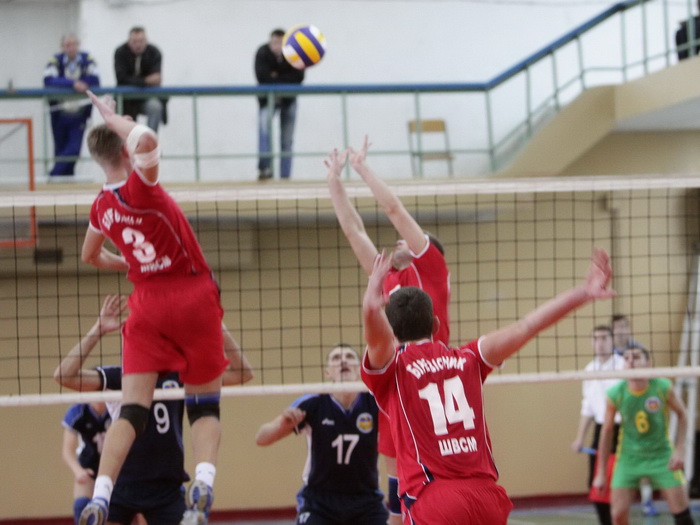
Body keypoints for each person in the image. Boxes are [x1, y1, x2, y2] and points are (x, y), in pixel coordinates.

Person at [362, 248, 615, 524]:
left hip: (435, 499)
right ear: (435, 325)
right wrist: (584, 292)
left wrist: (371, 307)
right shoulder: (469, 357)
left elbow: (378, 341)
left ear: (392, 332)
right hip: (486, 497)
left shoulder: (393, 369)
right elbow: (526, 326)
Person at [77, 90, 231, 525]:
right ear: (124, 150)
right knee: (204, 405)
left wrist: (128, 263)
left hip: (144, 302)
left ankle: (101, 496)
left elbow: (89, 256)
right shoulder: (140, 188)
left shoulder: (102, 207)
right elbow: (146, 141)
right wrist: (115, 119)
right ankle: (203, 482)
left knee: (132, 409)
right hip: (191, 294)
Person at [326, 137, 450, 524]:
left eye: (407, 238)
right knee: (398, 506)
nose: (399, 239)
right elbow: (354, 231)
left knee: (440, 495)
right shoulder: (390, 279)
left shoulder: (431, 271)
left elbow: (394, 209)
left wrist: (362, 168)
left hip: (433, 392)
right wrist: (334, 182)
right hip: (396, 391)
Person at [54, 295, 253, 525]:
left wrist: (217, 324)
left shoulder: (181, 376)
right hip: (121, 482)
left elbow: (243, 373)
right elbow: (64, 376)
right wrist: (97, 330)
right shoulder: (121, 377)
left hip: (165, 486)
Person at [255, 344, 388, 525]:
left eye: (350, 357)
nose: (343, 361)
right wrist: (283, 425)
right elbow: (261, 438)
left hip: (366, 500)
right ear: (327, 373)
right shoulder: (313, 402)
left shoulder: (375, 403)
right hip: (319, 502)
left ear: (359, 369)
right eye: (336, 358)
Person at [593, 347, 694, 525]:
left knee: (682, 514)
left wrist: (680, 450)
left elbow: (683, 415)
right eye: (626, 358)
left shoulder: (662, 386)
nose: (630, 361)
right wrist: (601, 473)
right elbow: (606, 432)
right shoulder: (615, 393)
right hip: (628, 458)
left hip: (661, 456)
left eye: (636, 357)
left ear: (648, 364)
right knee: (617, 515)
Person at [570, 325, 624, 525]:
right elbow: (588, 408)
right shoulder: (589, 370)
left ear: (612, 341)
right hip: (601, 430)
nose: (600, 343)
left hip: (622, 429)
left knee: (619, 485)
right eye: (596, 339)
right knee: (596, 486)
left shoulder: (622, 366)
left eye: (604, 338)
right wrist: (579, 438)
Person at [610, 314, 658, 515]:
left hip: (638, 415)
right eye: (617, 327)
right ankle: (618, 503)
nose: (620, 330)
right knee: (619, 464)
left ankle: (647, 500)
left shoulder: (638, 350)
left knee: (645, 460)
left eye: (623, 326)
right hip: (614, 415)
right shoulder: (607, 354)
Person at [43, 34, 100, 177]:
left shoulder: (87, 59)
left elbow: (95, 79)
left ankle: (53, 176)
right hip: (59, 113)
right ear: (62, 47)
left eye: (73, 44)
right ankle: (62, 181)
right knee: (60, 150)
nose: (71, 48)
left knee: (74, 150)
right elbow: (48, 80)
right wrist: (73, 83)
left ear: (78, 45)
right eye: (67, 45)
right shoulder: (55, 60)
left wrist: (83, 82)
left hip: (79, 114)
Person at [254, 28, 304, 180]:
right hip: (266, 101)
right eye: (275, 42)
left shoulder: (294, 55)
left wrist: (275, 77)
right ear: (270, 42)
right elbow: (262, 77)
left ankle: (285, 176)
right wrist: (283, 79)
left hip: (289, 100)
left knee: (287, 140)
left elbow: (298, 78)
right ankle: (265, 169)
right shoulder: (262, 52)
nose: (277, 46)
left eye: (281, 43)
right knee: (264, 132)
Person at [62, 402, 111, 525]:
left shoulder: (117, 408)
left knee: (125, 509)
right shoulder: (77, 411)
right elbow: (67, 452)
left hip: (114, 467)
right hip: (88, 466)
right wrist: (78, 471)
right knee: (81, 505)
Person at [114, 27, 166, 132]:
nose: (138, 45)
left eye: (141, 41)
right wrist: (146, 81)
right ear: (129, 42)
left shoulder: (154, 52)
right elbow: (121, 78)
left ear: (146, 41)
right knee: (126, 129)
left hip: (147, 97)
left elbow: (156, 79)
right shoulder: (120, 52)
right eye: (134, 42)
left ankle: (150, 139)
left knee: (155, 107)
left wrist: (133, 81)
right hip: (125, 99)